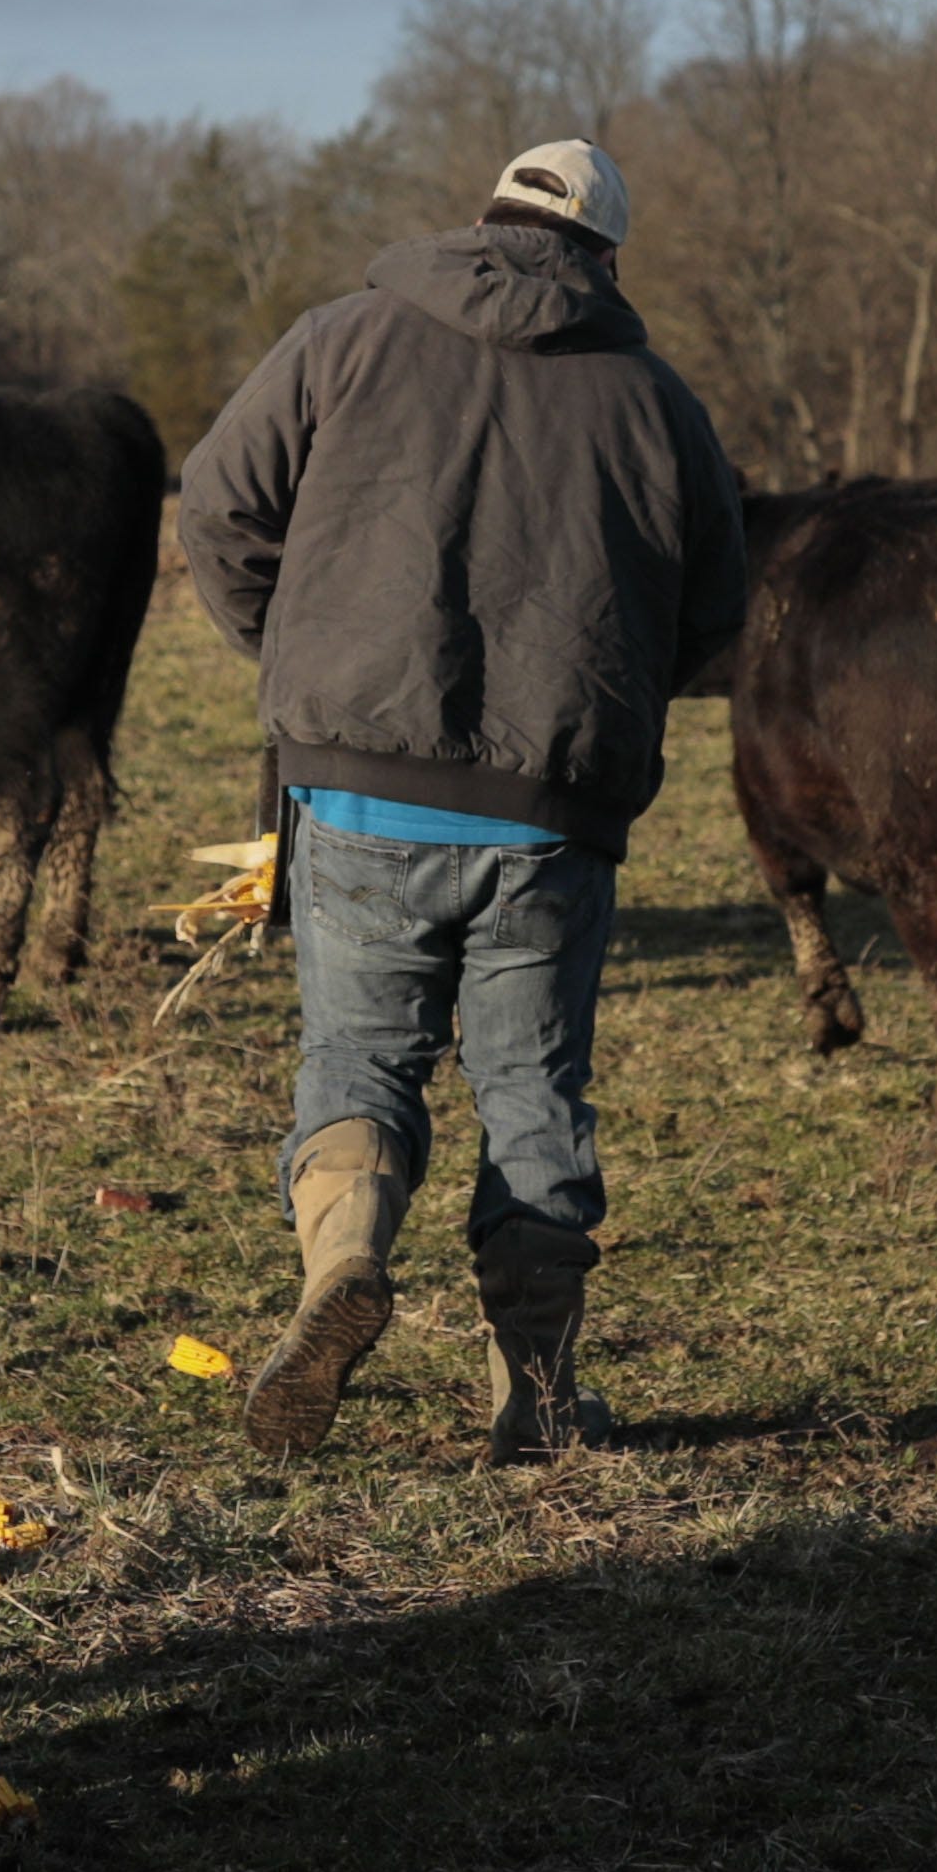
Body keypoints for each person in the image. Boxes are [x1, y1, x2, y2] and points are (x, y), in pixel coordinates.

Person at [176, 136, 750, 1463]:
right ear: (604, 256)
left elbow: (215, 502)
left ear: (482, 222)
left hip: (356, 793)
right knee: (533, 1090)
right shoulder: (653, 398)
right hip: (551, 812)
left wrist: (298, 656)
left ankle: (341, 1272)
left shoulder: (341, 338)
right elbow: (717, 611)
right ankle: (531, 1401)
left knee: (358, 1060)